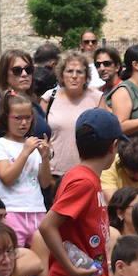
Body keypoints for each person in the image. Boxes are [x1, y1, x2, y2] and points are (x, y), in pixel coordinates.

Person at [38, 109, 124, 276]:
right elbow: (47, 225)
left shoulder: (85, 178)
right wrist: (72, 269)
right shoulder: (83, 181)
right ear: (114, 146)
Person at [0, 93, 53, 247]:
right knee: (14, 256)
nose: (24, 123)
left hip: (37, 209)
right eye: (17, 118)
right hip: (12, 210)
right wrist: (25, 153)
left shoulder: (32, 143)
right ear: (6, 118)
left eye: (28, 117)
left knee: (42, 258)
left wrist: (44, 158)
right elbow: (7, 178)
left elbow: (45, 183)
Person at [0, 50, 49, 163]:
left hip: (37, 175)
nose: (24, 74)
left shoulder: (36, 107)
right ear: (5, 75)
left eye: (29, 69)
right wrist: (25, 152)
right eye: (17, 70)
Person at [40, 50, 104, 180]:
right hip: (53, 173)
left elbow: (106, 134)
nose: (74, 76)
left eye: (79, 72)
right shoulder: (49, 97)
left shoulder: (97, 98)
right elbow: (39, 132)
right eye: (69, 71)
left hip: (88, 173)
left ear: (86, 76)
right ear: (61, 75)